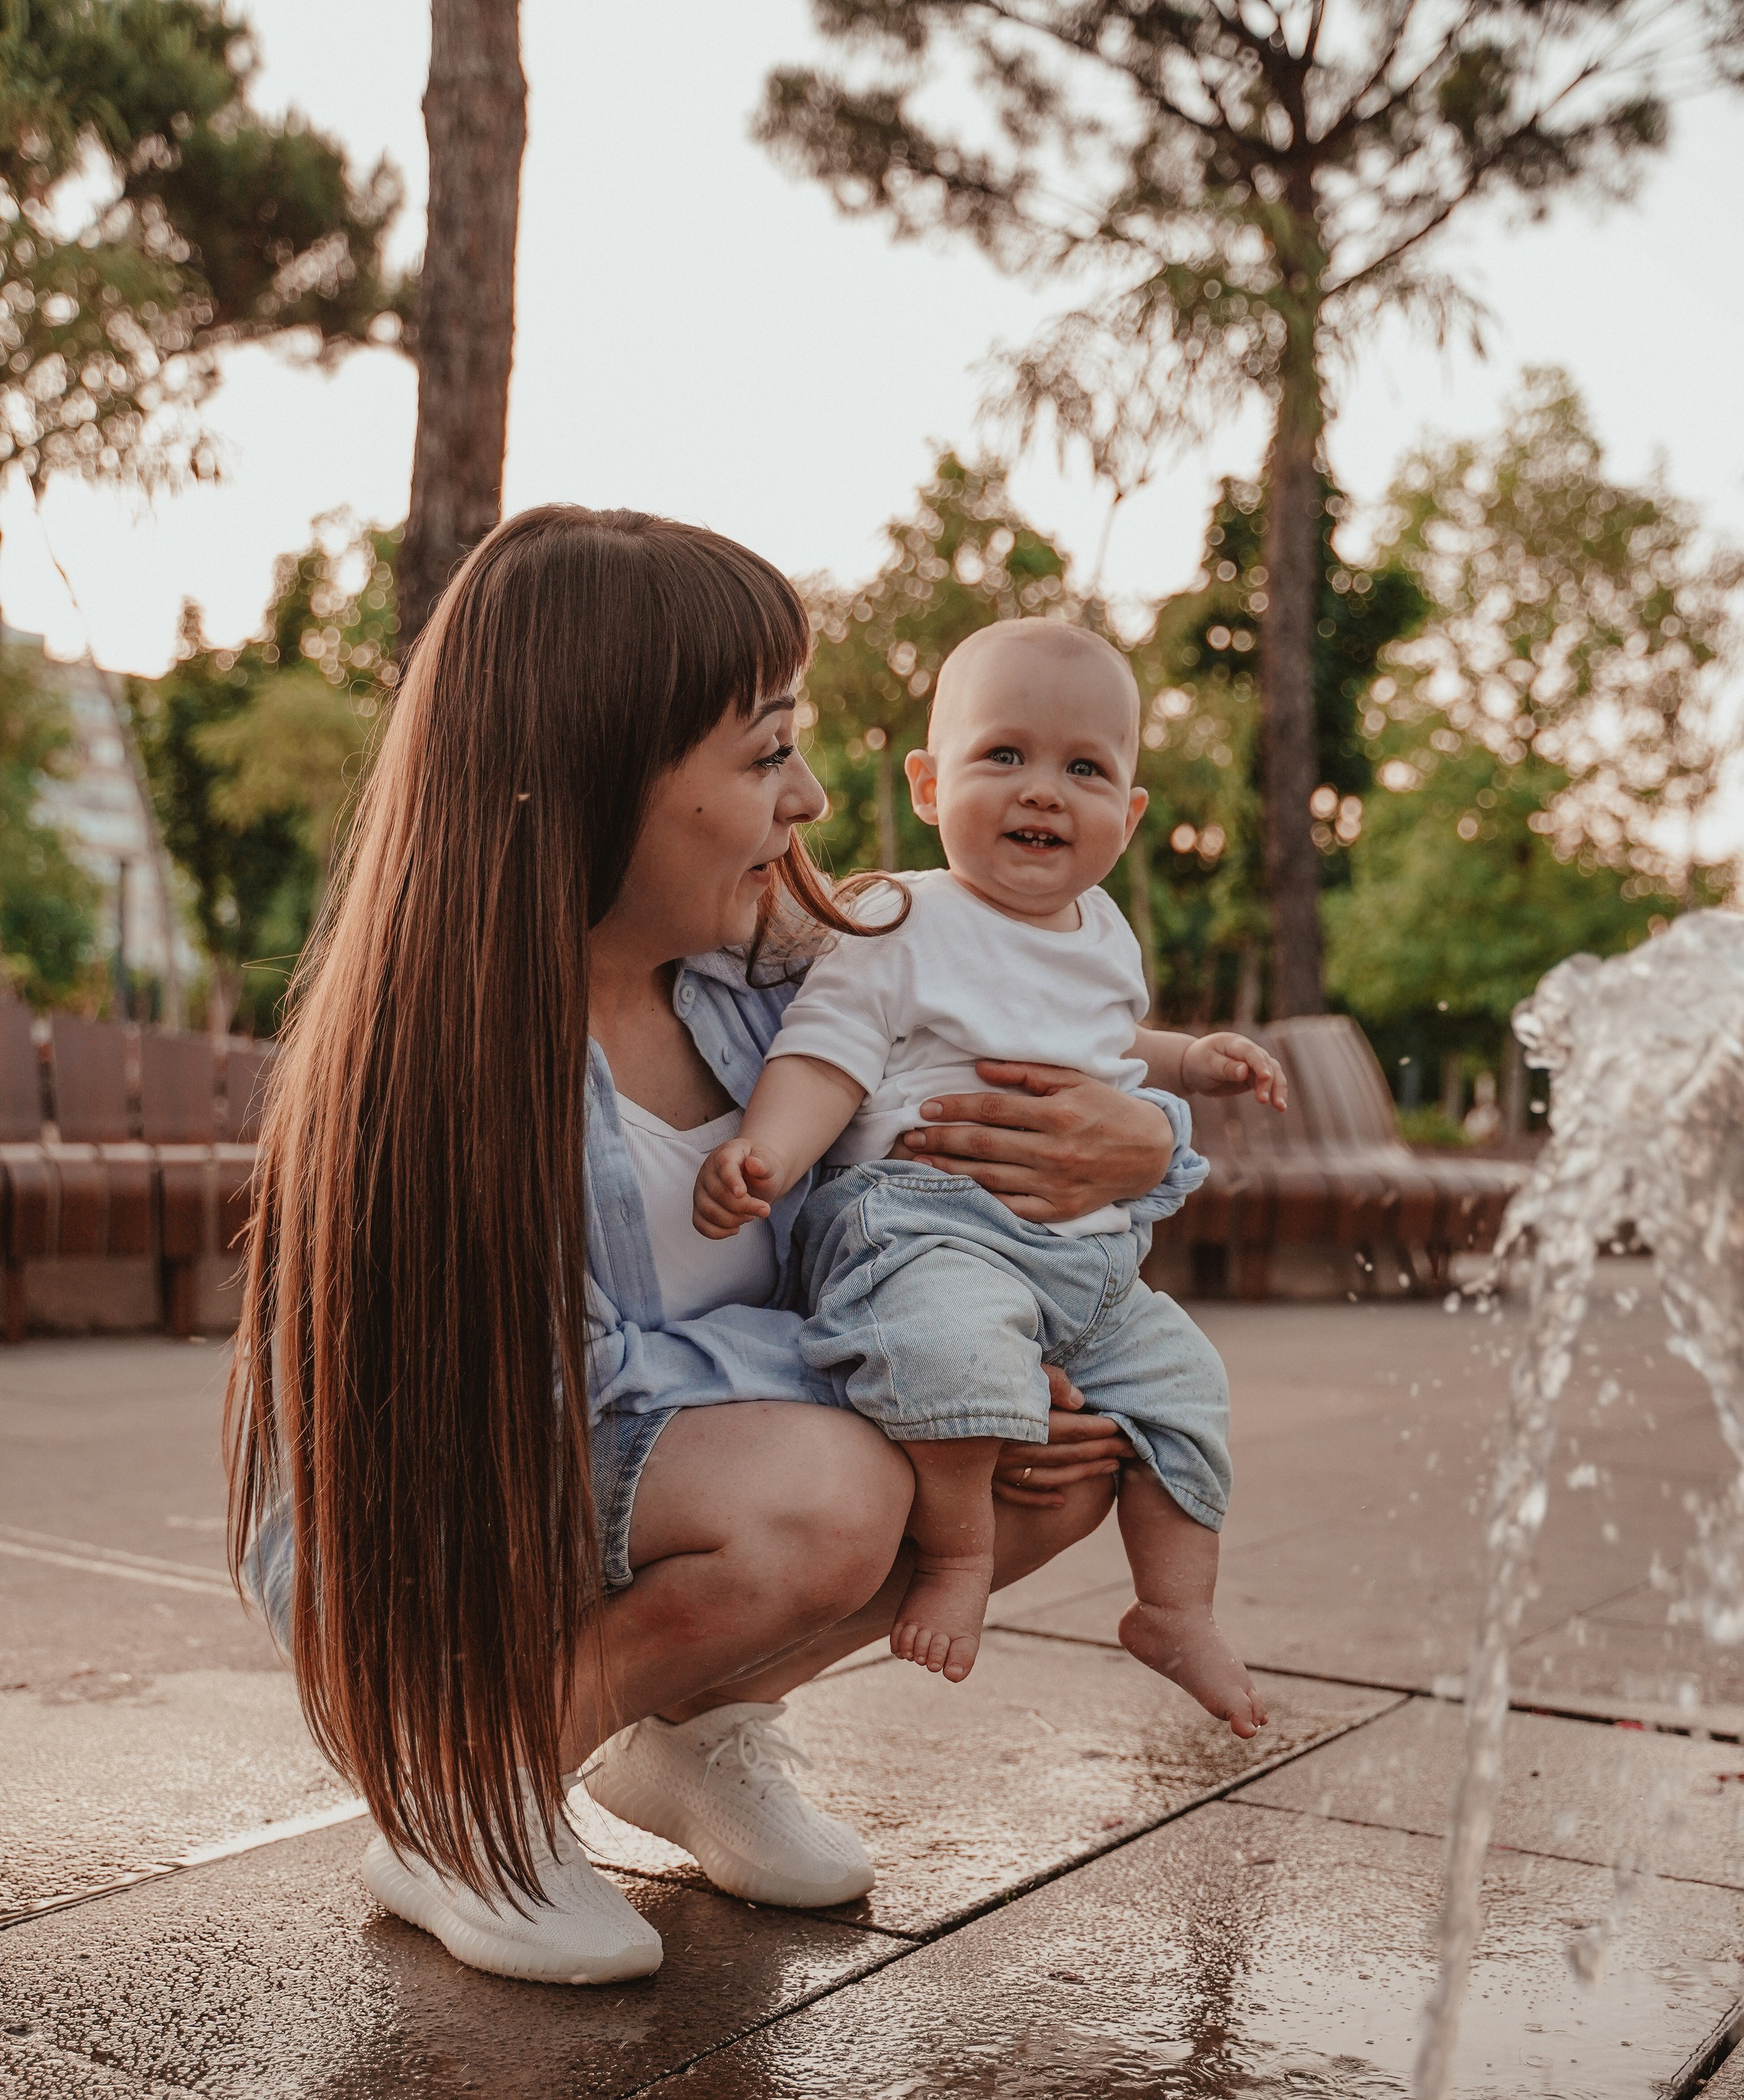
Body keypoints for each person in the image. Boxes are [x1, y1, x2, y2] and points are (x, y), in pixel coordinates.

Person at [230, 507, 1219, 1991]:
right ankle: (465, 1792)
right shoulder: (446, 1075)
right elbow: (519, 1416)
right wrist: (857, 1405)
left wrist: (1147, 1150)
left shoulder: (761, 989)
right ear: (591, 777)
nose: (811, 797)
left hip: (667, 1478)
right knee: (843, 1484)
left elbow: (1018, 1061)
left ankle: (686, 1734)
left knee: (1056, 1444)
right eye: (764, 755)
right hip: (451, 1534)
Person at [693, 617, 1281, 1725]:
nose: (1044, 792)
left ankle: (1176, 1609)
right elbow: (827, 1055)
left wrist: (1189, 1061)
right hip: (924, 1228)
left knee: (1185, 1387)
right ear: (928, 783)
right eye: (1003, 756)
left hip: (1087, 1260)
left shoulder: (1102, 930)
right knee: (955, 1353)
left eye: (1085, 769)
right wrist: (767, 1154)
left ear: (1130, 814)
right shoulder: (899, 918)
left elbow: (1104, 1045)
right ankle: (959, 1558)